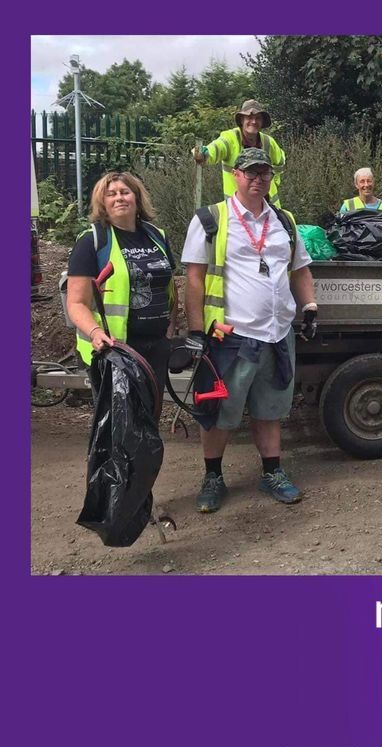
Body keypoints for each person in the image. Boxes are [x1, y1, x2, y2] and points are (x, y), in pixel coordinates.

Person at [181, 148, 317, 512]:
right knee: (220, 413)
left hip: (277, 334)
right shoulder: (212, 218)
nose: (258, 179)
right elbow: (193, 278)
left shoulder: (284, 220)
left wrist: (310, 306)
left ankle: (272, 472)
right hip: (232, 337)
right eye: (250, 173)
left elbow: (300, 269)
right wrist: (196, 331)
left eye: (264, 174)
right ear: (235, 175)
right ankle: (213, 477)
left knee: (270, 408)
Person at [66, 171, 177, 408]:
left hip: (155, 348)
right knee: (118, 427)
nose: (119, 198)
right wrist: (96, 333)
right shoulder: (92, 242)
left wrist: (169, 331)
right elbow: (76, 303)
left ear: (136, 199)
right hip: (114, 351)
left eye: (125, 192)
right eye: (111, 194)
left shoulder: (157, 236)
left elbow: (169, 287)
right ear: (103, 203)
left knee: (148, 422)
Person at [192, 99, 285, 206]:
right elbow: (215, 148)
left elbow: (280, 162)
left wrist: (274, 180)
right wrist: (204, 153)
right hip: (238, 210)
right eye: (249, 117)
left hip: (269, 207)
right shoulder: (230, 138)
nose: (254, 122)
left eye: (258, 118)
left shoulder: (268, 142)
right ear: (241, 120)